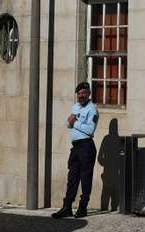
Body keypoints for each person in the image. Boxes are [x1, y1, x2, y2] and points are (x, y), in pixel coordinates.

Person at [52, 82, 98, 219]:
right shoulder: (75, 106)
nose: (81, 96)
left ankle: (82, 207)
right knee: (72, 178)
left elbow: (90, 130)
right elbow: (67, 123)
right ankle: (67, 207)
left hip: (86, 146)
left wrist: (74, 122)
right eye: (79, 94)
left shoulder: (92, 109)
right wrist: (71, 122)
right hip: (76, 147)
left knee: (85, 178)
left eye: (83, 93)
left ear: (89, 93)